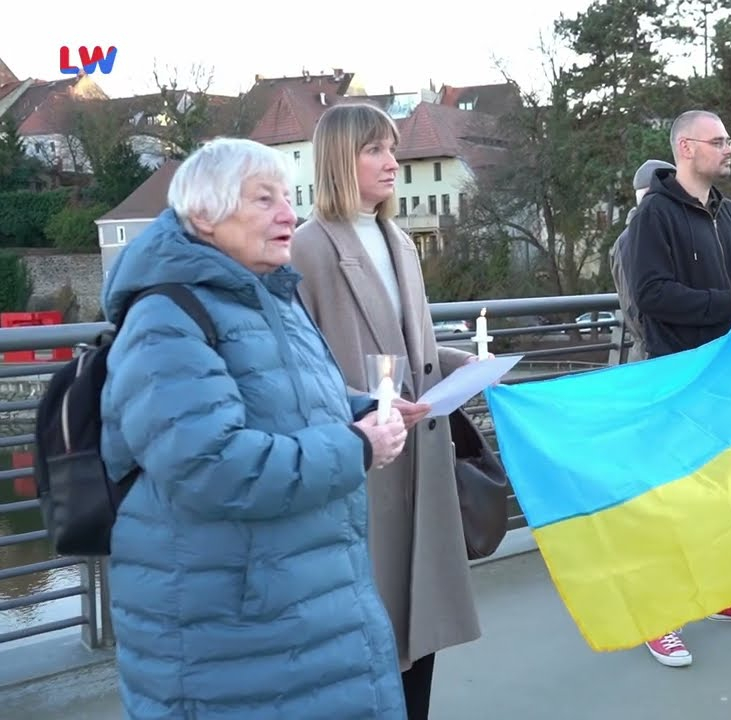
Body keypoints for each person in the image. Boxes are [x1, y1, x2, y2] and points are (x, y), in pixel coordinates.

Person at [99, 137, 408, 718]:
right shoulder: (165, 317)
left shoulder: (271, 299)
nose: (289, 214)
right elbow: (211, 464)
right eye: (264, 199)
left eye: (289, 198)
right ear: (204, 215)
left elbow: (284, 397)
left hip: (303, 607)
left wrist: (363, 407)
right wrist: (356, 446)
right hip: (234, 631)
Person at [291, 103, 481, 718]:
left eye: (392, 148)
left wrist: (467, 366)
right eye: (375, 150)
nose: (393, 162)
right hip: (366, 462)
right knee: (371, 630)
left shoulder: (399, 239)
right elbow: (298, 364)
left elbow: (412, 342)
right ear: (340, 160)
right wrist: (357, 410)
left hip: (417, 454)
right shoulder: (309, 248)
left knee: (419, 620)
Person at [624, 109, 731, 667]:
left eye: (730, 138)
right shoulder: (655, 217)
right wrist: (729, 299)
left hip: (727, 375)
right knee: (672, 499)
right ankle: (657, 617)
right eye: (719, 140)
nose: (729, 148)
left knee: (725, 493)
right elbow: (651, 295)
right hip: (675, 374)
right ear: (686, 148)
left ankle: (724, 593)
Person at [612, 159, 675, 362]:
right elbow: (639, 305)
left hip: (659, 353)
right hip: (655, 357)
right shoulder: (634, 239)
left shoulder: (650, 232)